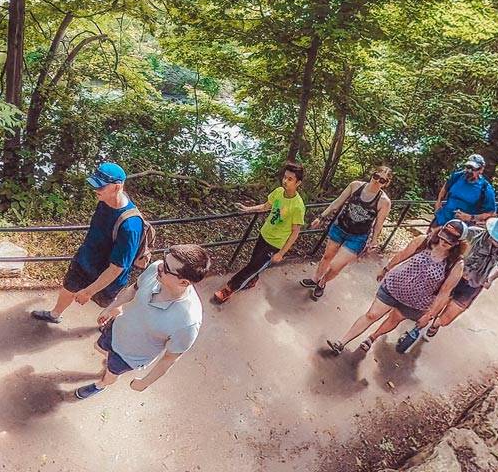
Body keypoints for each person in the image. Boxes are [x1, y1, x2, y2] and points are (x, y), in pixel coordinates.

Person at [73, 244, 210, 400]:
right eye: (164, 258)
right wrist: (112, 307)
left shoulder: (188, 323)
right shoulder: (156, 269)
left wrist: (145, 383)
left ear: (184, 282)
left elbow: (170, 358)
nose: (160, 266)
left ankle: (101, 385)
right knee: (99, 347)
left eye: (166, 268)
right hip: (117, 328)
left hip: (130, 356)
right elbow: (134, 289)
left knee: (111, 372)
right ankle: (109, 361)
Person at [326, 219, 468, 354]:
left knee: (394, 319)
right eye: (444, 237)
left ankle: (373, 337)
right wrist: (387, 268)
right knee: (372, 314)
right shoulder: (424, 241)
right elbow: (403, 255)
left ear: (458, 243)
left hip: (417, 301)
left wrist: (429, 315)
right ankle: (341, 342)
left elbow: (445, 292)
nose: (444, 242)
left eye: (450, 241)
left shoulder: (455, 264)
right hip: (395, 286)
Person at [31, 162, 144, 324]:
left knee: (111, 304)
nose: (95, 190)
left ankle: (113, 326)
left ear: (117, 187)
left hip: (108, 277)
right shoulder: (104, 200)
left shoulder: (130, 226)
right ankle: (54, 314)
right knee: (68, 288)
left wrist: (88, 292)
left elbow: (116, 268)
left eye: (101, 187)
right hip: (85, 261)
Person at [395, 216, 498, 352]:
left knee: (448, 317)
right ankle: (416, 329)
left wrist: (491, 278)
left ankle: (436, 324)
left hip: (474, 284)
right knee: (433, 304)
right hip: (453, 275)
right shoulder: (472, 234)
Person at [213, 162, 305, 304]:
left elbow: (295, 233)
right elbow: (265, 206)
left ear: (298, 183)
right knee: (254, 263)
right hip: (264, 235)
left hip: (275, 244)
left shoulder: (298, 206)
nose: (285, 181)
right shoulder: (278, 192)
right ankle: (253, 279)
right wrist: (247, 209)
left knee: (251, 268)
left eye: (290, 179)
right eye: (285, 177)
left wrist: (281, 253)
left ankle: (229, 289)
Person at [300, 166, 393, 300]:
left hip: (357, 237)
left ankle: (323, 282)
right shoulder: (356, 186)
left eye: (382, 180)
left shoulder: (384, 201)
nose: (377, 181)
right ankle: (315, 279)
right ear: (372, 174)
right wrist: (321, 216)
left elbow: (379, 223)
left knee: (336, 265)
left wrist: (374, 240)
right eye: (376, 176)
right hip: (340, 227)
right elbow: (337, 202)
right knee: (327, 257)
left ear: (386, 183)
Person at [432, 154, 496, 228]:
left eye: (473, 169)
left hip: (463, 227)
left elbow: (491, 213)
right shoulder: (457, 176)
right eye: (468, 167)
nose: (469, 171)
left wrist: (470, 217)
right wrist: (438, 203)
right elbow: (445, 188)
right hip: (442, 219)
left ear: (481, 170)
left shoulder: (485, 188)